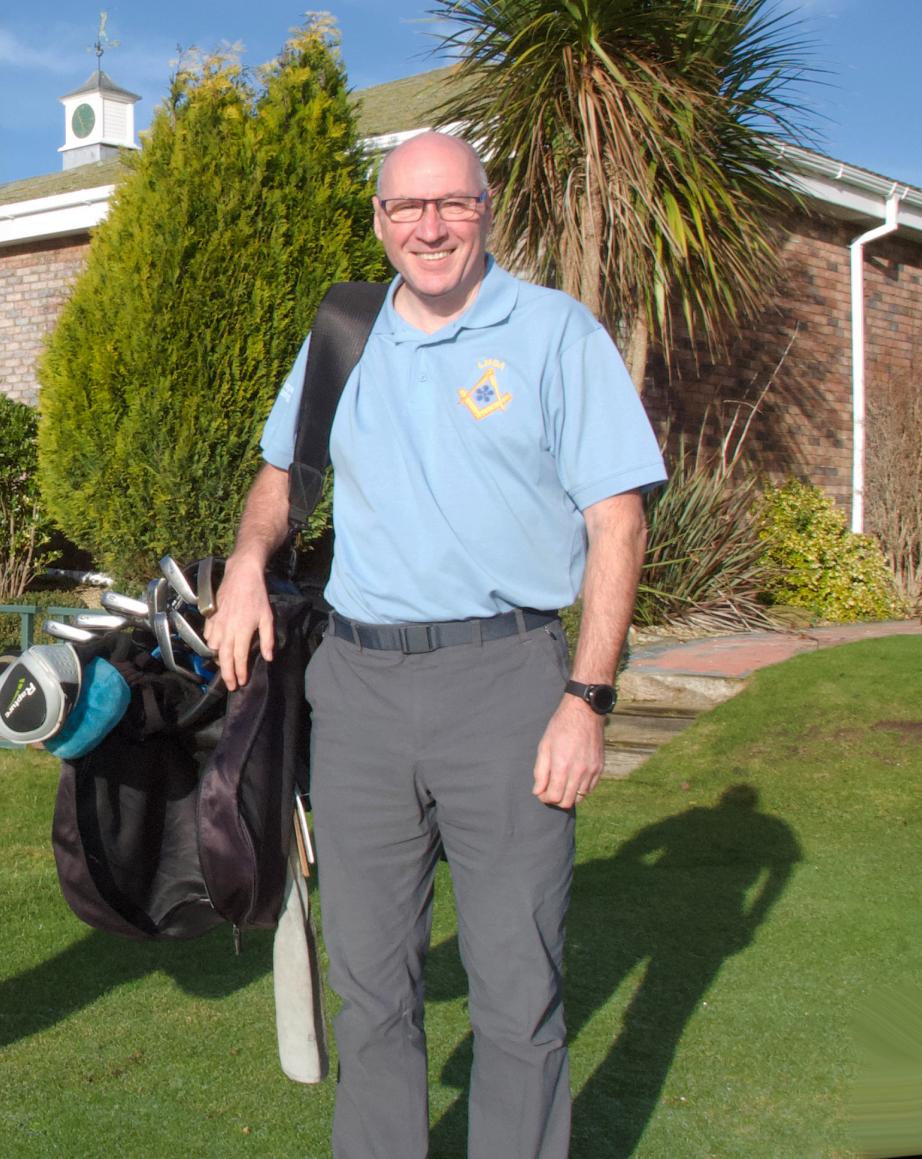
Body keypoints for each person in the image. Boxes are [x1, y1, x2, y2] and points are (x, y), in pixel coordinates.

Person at [204, 130, 665, 1159]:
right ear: (377, 220)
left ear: (485, 208)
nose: (429, 227)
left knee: (515, 992)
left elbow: (616, 522)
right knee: (369, 992)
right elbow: (282, 475)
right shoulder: (341, 332)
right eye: (406, 209)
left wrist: (584, 700)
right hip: (358, 693)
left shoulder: (552, 334)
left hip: (505, 683)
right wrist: (244, 561)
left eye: (450, 204)